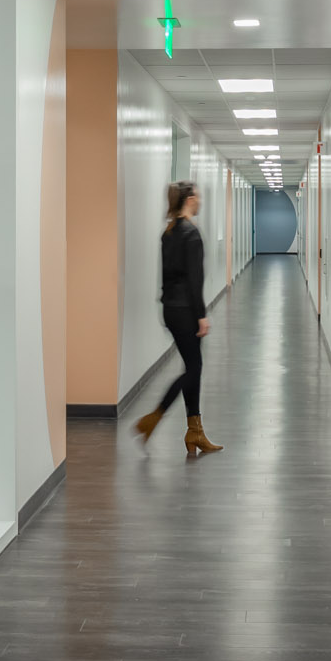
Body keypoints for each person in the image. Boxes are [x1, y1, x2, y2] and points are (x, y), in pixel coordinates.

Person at [135, 180, 223, 456]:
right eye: (197, 196)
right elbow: (194, 281)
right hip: (186, 310)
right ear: (188, 199)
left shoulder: (169, 232)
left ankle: (195, 432)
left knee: (192, 366)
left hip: (171, 310)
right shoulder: (191, 234)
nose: (200, 200)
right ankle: (154, 417)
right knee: (194, 368)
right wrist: (202, 316)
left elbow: (169, 277)